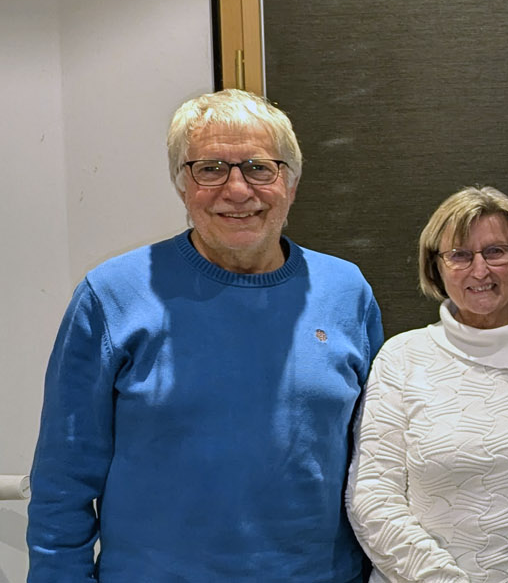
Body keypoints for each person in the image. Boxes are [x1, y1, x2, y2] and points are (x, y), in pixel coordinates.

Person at [27, 89, 384, 582]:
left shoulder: (346, 292)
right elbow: (62, 481)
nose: (237, 190)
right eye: (210, 168)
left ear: (292, 183)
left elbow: (378, 463)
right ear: (181, 184)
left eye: (260, 168)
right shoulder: (112, 296)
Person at [347, 186, 508, 583]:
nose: (479, 271)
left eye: (495, 251)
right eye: (459, 255)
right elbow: (372, 495)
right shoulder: (402, 356)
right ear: (437, 266)